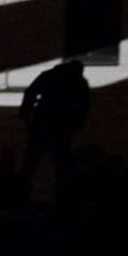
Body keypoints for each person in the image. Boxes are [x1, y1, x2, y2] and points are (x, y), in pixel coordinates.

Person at [18, 58, 89, 205]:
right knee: (61, 163)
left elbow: (30, 93)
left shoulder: (50, 76)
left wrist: (25, 115)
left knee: (33, 162)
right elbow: (84, 105)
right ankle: (63, 197)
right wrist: (78, 123)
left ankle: (22, 194)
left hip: (44, 123)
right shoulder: (79, 82)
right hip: (60, 125)